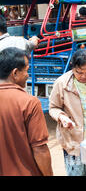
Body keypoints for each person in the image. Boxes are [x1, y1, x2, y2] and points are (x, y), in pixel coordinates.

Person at [0, 47, 53, 176]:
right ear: (15, 73)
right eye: (27, 70)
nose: (28, 75)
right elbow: (40, 149)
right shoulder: (29, 102)